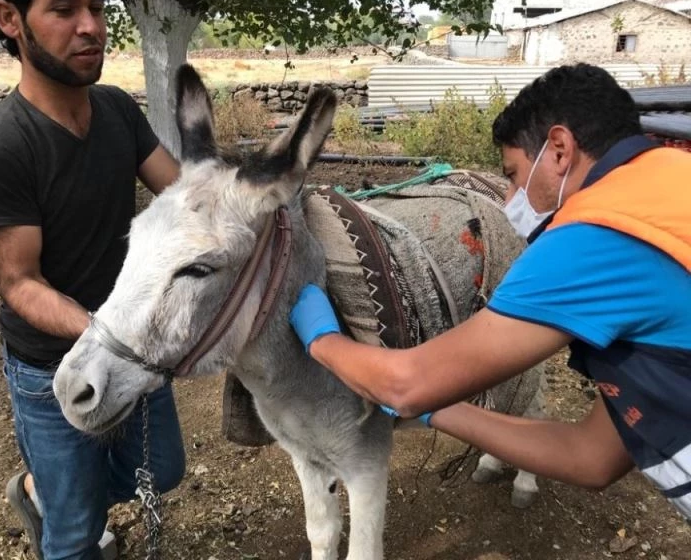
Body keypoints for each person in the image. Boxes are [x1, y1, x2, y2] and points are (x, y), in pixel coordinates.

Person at [289, 63, 691, 522]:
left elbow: (405, 384)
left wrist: (322, 340)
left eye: (515, 175)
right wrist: (436, 411)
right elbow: (593, 458)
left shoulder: (596, 236)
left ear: (559, 150)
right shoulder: (670, 179)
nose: (510, 199)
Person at [0, 0, 185, 558]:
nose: (91, 27)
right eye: (63, 10)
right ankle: (60, 504)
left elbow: (185, 197)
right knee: (76, 535)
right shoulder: (2, 147)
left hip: (129, 344)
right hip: (50, 368)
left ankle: (49, 492)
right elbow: (20, 283)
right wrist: (108, 336)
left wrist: (256, 200)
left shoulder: (115, 110)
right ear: (11, 19)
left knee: (161, 471)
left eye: (97, 8)